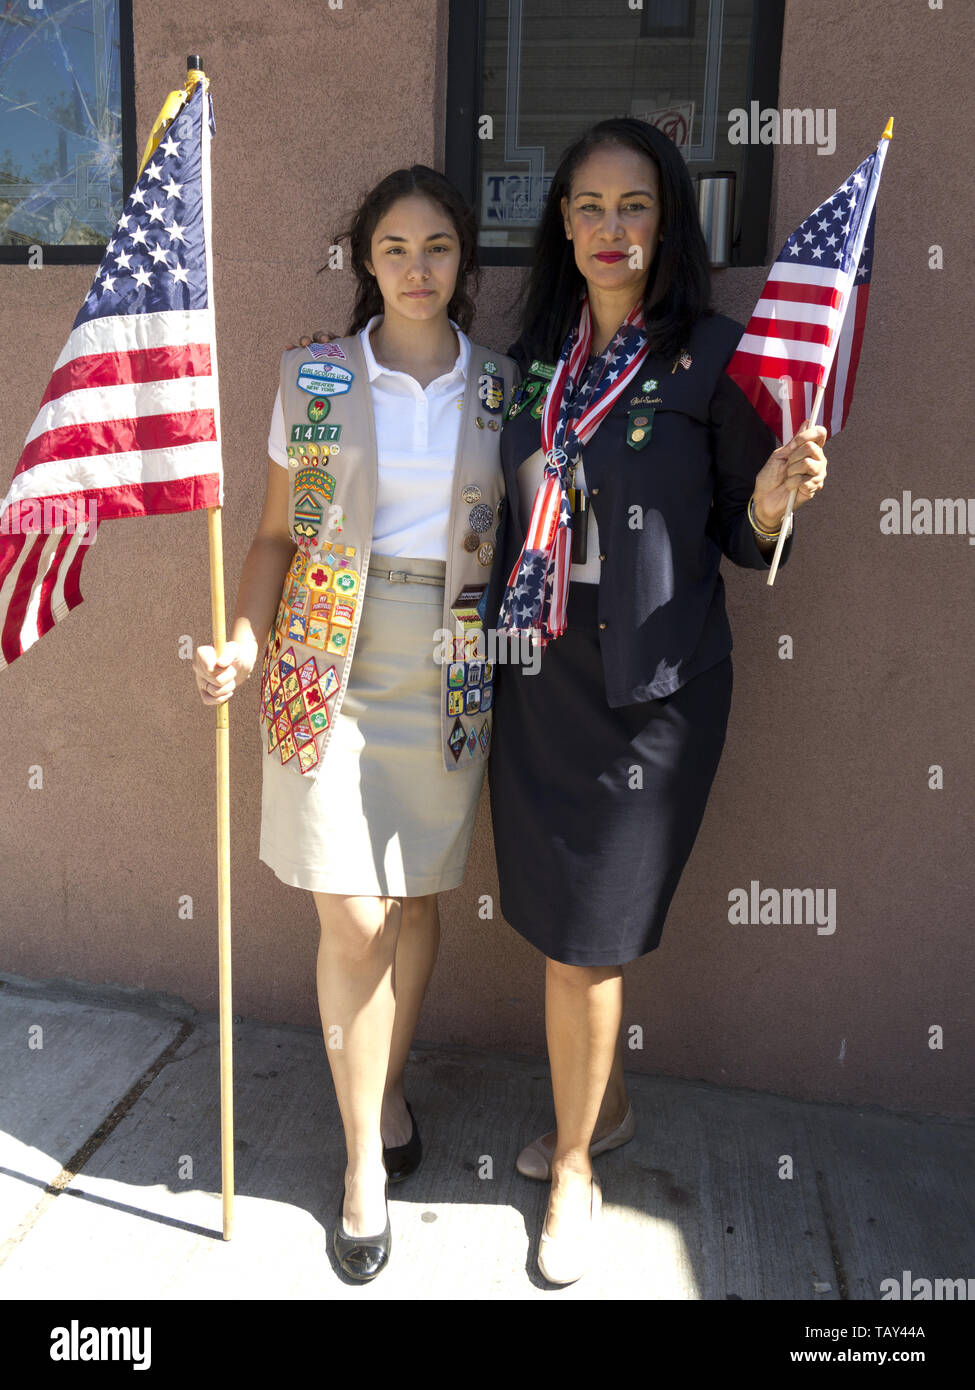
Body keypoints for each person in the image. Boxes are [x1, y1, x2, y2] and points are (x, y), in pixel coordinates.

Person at [488, 117, 828, 1285]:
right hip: (542, 676)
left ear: (669, 221)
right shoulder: (537, 351)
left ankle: (578, 1166)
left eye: (633, 206)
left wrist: (777, 499)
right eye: (587, 205)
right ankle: (611, 1109)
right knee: (566, 931)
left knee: (588, 940)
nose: (609, 228)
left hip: (654, 696)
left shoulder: (715, 357)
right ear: (562, 223)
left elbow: (739, 535)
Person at [192, 166, 516, 1282]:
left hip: (450, 662)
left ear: (463, 260)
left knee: (417, 901)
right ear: (364, 260)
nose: (417, 268)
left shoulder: (502, 389)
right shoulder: (316, 380)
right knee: (358, 919)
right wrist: (244, 634)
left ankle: (385, 1091)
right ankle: (361, 1170)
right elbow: (277, 537)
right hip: (328, 652)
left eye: (437, 247)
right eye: (394, 248)